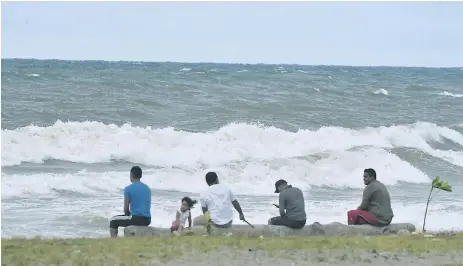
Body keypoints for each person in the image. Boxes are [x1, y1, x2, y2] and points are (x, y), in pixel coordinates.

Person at [109, 166, 152, 238]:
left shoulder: (128, 189)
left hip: (136, 219)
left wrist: (128, 214)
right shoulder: (147, 188)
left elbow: (126, 209)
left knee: (113, 220)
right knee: (129, 219)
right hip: (147, 219)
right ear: (140, 176)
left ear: (131, 175)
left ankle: (113, 241)